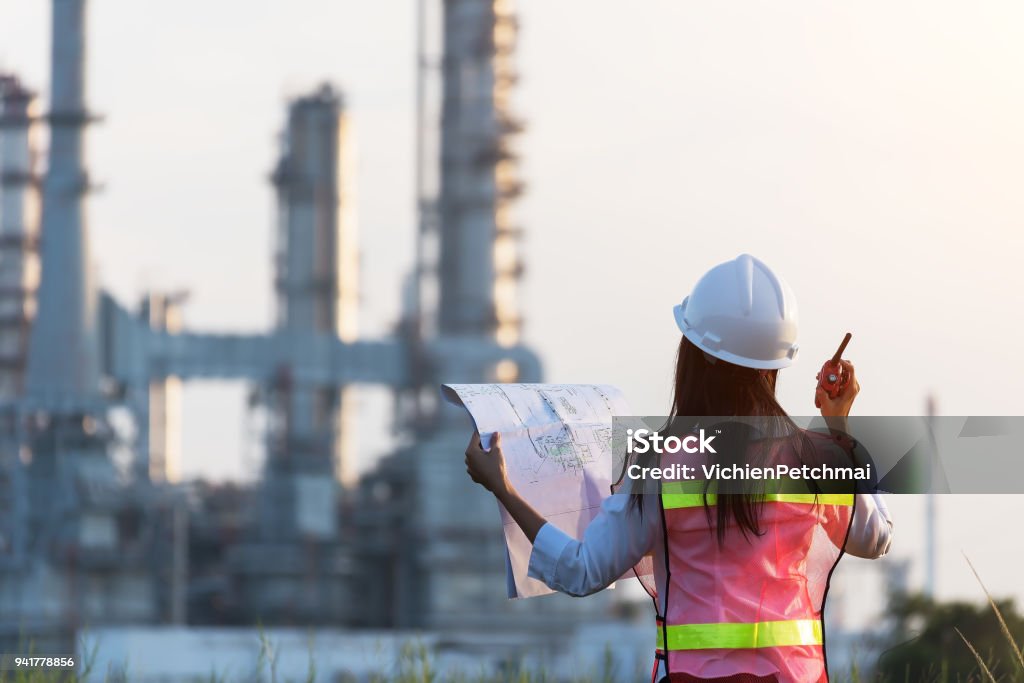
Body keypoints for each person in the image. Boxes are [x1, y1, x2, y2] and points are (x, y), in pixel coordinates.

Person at [464, 254, 893, 683]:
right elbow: (874, 538)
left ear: (698, 356)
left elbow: (581, 570)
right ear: (777, 365)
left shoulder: (661, 465)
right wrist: (839, 429)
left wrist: (503, 487)